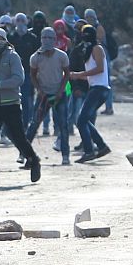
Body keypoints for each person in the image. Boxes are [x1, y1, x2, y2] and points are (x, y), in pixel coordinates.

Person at [0, 28, 42, 186]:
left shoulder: (12, 56)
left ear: (5, 39)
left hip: (10, 104)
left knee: (19, 138)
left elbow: (19, 79)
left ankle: (33, 160)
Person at [25, 28, 71, 165]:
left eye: (50, 38)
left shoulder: (62, 56)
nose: (47, 40)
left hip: (59, 95)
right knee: (34, 124)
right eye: (44, 37)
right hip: (43, 95)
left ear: (55, 40)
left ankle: (65, 155)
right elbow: (32, 75)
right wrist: (39, 89)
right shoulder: (35, 57)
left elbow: (67, 74)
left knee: (63, 125)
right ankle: (25, 154)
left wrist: (60, 91)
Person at [70, 25, 112, 163]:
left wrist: (80, 74)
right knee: (84, 120)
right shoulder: (88, 51)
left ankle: (89, 151)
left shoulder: (97, 48)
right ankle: (101, 146)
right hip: (94, 88)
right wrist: (75, 76)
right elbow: (90, 76)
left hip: (100, 89)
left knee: (81, 120)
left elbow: (99, 69)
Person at [7, 12, 39, 130]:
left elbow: (38, 57)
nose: (20, 23)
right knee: (11, 100)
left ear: (26, 22)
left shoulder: (33, 38)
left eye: (22, 20)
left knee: (26, 100)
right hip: (12, 73)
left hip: (28, 73)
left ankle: (25, 125)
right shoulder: (10, 37)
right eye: (18, 20)